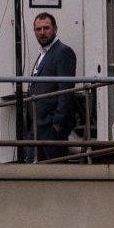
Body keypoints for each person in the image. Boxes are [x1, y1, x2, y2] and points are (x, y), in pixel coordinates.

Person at [27, 13, 77, 162]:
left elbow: (66, 90)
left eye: (46, 28)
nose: (42, 32)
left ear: (55, 29)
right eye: (38, 29)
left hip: (51, 126)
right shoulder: (44, 53)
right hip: (38, 124)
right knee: (34, 169)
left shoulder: (63, 52)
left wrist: (57, 123)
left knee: (56, 170)